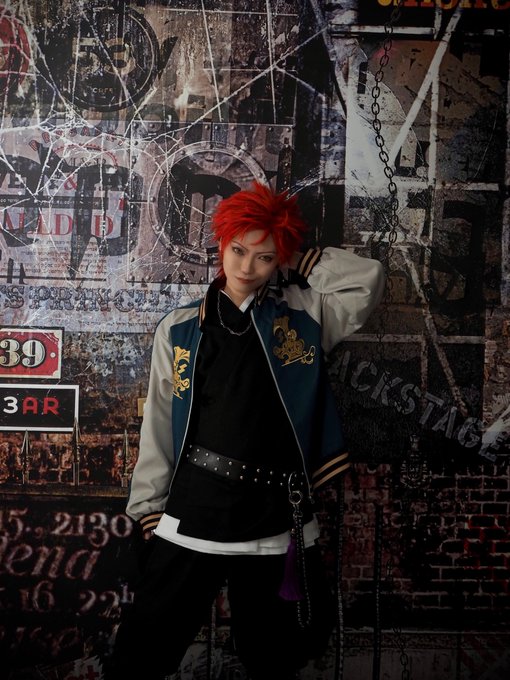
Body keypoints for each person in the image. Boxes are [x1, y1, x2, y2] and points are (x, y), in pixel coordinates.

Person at [107, 182, 385, 680]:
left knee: (274, 661)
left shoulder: (306, 316)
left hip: (275, 517)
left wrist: (292, 254)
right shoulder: (180, 329)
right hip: (194, 508)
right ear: (221, 244)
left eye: (263, 257)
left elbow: (367, 281)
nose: (246, 266)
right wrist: (148, 508)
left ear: (279, 260)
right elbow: (160, 424)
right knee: (140, 657)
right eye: (238, 249)